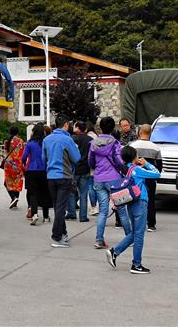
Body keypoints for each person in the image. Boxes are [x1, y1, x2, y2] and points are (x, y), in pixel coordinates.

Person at [106, 145, 161, 274]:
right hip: (140, 202)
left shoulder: (128, 170)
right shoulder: (137, 170)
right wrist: (147, 163)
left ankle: (115, 252)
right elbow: (156, 174)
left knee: (135, 232)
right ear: (134, 157)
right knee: (139, 235)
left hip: (131, 203)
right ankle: (136, 264)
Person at [90, 116, 131, 249]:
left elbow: (90, 162)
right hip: (114, 180)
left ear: (100, 127)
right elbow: (119, 162)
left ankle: (99, 239)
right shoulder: (115, 143)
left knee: (102, 211)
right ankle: (129, 237)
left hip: (99, 179)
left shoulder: (93, 143)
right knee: (122, 210)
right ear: (113, 128)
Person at [42, 114, 80, 248]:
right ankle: (57, 237)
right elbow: (76, 158)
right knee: (60, 208)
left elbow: (43, 158)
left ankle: (63, 233)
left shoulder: (46, 139)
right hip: (64, 175)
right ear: (65, 125)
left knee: (57, 206)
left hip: (51, 176)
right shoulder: (67, 140)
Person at [129, 124, 163, 231]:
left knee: (136, 199)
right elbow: (159, 164)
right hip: (150, 178)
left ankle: (136, 222)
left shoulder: (133, 146)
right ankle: (151, 224)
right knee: (151, 200)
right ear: (150, 133)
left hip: (136, 178)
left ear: (139, 132)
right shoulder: (155, 147)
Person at [22, 123, 51, 225]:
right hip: (44, 170)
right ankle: (46, 216)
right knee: (44, 193)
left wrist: (25, 165)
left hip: (31, 170)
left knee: (33, 193)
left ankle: (34, 214)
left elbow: (24, 157)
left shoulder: (30, 143)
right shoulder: (46, 142)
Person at [67, 121, 93, 222]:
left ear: (77, 128)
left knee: (72, 192)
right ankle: (83, 216)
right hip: (85, 168)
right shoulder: (90, 140)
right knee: (83, 193)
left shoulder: (72, 139)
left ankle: (71, 213)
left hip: (74, 168)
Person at [2, 126, 25, 209]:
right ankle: (15, 200)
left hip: (9, 165)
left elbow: (6, 152)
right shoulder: (21, 141)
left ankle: (13, 198)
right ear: (17, 132)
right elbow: (23, 153)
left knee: (7, 182)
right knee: (17, 183)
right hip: (18, 165)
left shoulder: (7, 142)